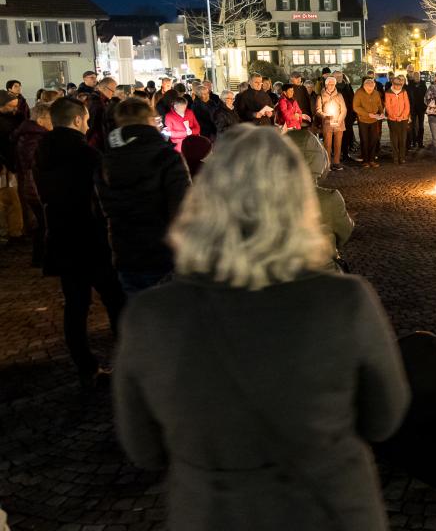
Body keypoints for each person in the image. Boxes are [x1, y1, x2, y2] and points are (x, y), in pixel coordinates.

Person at [113, 126, 409, 530]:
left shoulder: (152, 315)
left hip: (214, 514)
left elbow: (144, 448)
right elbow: (385, 418)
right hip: (330, 510)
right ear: (298, 199)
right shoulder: (344, 301)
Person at [35, 98, 125, 389]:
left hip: (61, 235)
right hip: (91, 237)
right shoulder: (86, 154)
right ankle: (129, 361)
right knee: (115, 299)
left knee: (75, 305)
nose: (87, 124)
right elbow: (105, 196)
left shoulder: (42, 151)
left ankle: (85, 366)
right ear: (76, 120)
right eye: (85, 120)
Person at [97, 97, 191, 295]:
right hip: (163, 253)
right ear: (150, 121)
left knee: (137, 314)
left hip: (125, 251)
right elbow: (183, 209)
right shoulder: (167, 157)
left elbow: (104, 207)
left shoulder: (107, 159)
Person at [287, 130, 355, 271]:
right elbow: (343, 232)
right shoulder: (328, 198)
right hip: (322, 272)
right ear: (318, 159)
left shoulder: (264, 197)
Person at [12, 102, 50, 263]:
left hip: (32, 184)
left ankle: (40, 257)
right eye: (50, 119)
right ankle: (41, 258)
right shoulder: (35, 137)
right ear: (41, 120)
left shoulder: (29, 133)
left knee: (42, 222)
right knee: (44, 223)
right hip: (35, 186)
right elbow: (34, 162)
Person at [0, 90, 24, 243]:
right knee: (5, 200)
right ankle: (6, 231)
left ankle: (14, 231)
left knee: (13, 198)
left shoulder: (15, 118)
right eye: (11, 106)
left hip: (11, 164)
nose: (15, 109)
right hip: (3, 166)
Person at [354, 77, 384, 168]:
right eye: (368, 88)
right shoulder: (359, 93)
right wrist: (367, 114)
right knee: (364, 140)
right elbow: (356, 107)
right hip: (363, 120)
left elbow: (379, 104)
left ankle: (372, 159)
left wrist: (381, 112)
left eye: (372, 88)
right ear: (364, 86)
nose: (370, 90)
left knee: (374, 140)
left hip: (374, 120)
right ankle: (365, 160)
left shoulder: (376, 93)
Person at [318, 76, 347, 170]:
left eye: (333, 84)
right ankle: (328, 163)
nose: (331, 86)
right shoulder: (321, 95)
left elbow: (344, 109)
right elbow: (318, 110)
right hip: (327, 123)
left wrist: (339, 120)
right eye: (329, 84)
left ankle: (336, 162)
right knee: (327, 144)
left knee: (338, 144)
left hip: (339, 123)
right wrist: (325, 115)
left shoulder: (339, 95)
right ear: (326, 85)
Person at [384, 76, 411, 164]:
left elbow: (407, 105)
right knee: (394, 139)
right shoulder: (388, 93)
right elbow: (388, 106)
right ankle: (395, 156)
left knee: (403, 138)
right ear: (393, 84)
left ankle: (402, 157)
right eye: (396, 84)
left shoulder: (404, 92)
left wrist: (403, 116)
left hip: (403, 119)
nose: (398, 86)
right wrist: (395, 116)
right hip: (392, 119)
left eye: (400, 85)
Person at [87, 77, 118, 150]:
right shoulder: (97, 104)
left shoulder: (101, 101)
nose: (113, 94)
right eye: (112, 91)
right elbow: (95, 127)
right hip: (96, 143)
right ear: (104, 88)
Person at [407, 71, 427, 150]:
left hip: (421, 108)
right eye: (415, 75)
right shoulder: (410, 84)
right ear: (412, 76)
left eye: (417, 75)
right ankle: (413, 142)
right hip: (413, 108)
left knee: (421, 126)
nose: (416, 77)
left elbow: (425, 95)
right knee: (413, 126)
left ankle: (420, 142)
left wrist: (425, 107)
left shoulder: (423, 84)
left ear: (419, 76)